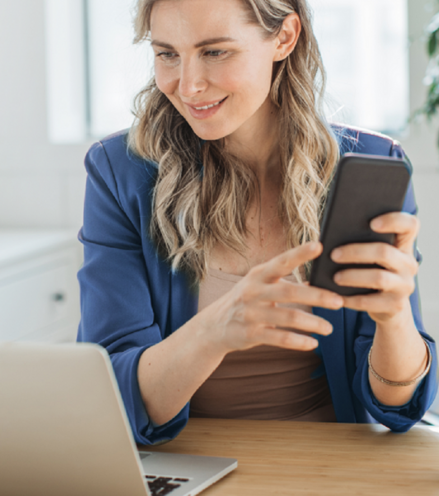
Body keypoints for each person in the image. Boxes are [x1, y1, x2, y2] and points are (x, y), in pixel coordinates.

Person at [77, 0, 438, 445]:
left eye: (215, 52)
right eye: (167, 53)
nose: (188, 85)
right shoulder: (122, 172)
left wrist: (394, 318)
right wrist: (214, 330)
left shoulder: (368, 167)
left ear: (284, 37)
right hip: (187, 466)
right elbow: (110, 400)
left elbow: (398, 409)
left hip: (328, 463)